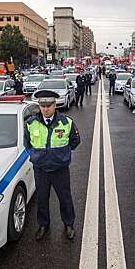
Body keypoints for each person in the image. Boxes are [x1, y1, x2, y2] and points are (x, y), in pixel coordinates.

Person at [23, 90, 81, 241]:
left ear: (55, 105)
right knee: (42, 199)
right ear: (39, 106)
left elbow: (75, 141)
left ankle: (69, 224)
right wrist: (36, 156)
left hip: (60, 169)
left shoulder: (66, 122)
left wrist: (62, 155)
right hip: (40, 169)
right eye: (42, 105)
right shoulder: (31, 123)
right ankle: (43, 225)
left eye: (49, 105)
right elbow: (27, 144)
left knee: (65, 198)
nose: (45, 109)